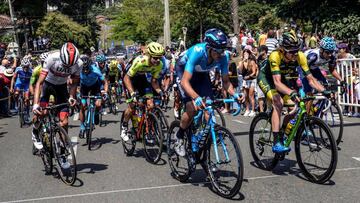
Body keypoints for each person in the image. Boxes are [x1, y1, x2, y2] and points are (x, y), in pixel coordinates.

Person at [174, 28, 244, 156]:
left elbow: (226, 82)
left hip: (201, 75)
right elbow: (184, 82)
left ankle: (204, 146)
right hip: (183, 72)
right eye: (217, 51)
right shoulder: (197, 52)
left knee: (209, 107)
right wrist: (195, 97)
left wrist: (235, 95)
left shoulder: (223, 57)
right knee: (191, 108)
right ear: (209, 48)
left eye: (223, 51)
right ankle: (179, 136)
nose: (220, 54)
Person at [257, 31, 327, 153]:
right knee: (277, 102)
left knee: (294, 108)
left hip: (282, 79)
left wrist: (325, 91)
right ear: (283, 49)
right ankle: (276, 141)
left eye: (297, 50)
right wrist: (292, 92)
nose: (295, 54)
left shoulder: (300, 56)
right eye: (292, 51)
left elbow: (310, 79)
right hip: (267, 79)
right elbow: (277, 83)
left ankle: (283, 132)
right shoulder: (275, 55)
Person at [32, 42, 82, 169]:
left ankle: (63, 153)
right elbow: (39, 83)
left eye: (70, 65)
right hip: (48, 85)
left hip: (61, 88)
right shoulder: (51, 58)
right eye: (65, 64)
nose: (67, 67)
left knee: (64, 122)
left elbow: (74, 83)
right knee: (41, 112)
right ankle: (35, 131)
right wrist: (35, 104)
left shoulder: (78, 63)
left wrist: (71, 97)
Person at [121, 42, 165, 141]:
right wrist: (132, 93)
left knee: (151, 104)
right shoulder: (139, 61)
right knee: (132, 106)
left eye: (159, 58)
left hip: (141, 79)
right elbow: (126, 78)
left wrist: (160, 92)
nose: (157, 60)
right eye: (155, 58)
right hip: (129, 79)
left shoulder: (159, 64)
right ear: (148, 55)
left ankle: (147, 130)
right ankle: (124, 127)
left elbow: (154, 81)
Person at [78, 55, 108, 137]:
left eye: (87, 69)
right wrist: (77, 94)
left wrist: (105, 92)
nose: (85, 71)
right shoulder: (78, 71)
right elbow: (73, 83)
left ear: (90, 66)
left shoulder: (95, 70)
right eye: (83, 69)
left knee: (98, 104)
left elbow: (105, 82)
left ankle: (96, 113)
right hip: (84, 87)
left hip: (95, 86)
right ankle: (82, 127)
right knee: (82, 106)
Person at [239, 46, 258, 117]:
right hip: (245, 80)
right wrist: (243, 61)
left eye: (246, 54)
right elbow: (240, 70)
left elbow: (254, 72)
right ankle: (247, 109)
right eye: (244, 54)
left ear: (249, 54)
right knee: (246, 96)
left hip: (252, 80)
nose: (245, 55)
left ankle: (253, 110)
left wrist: (249, 76)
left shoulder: (252, 61)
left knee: (251, 95)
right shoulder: (242, 62)